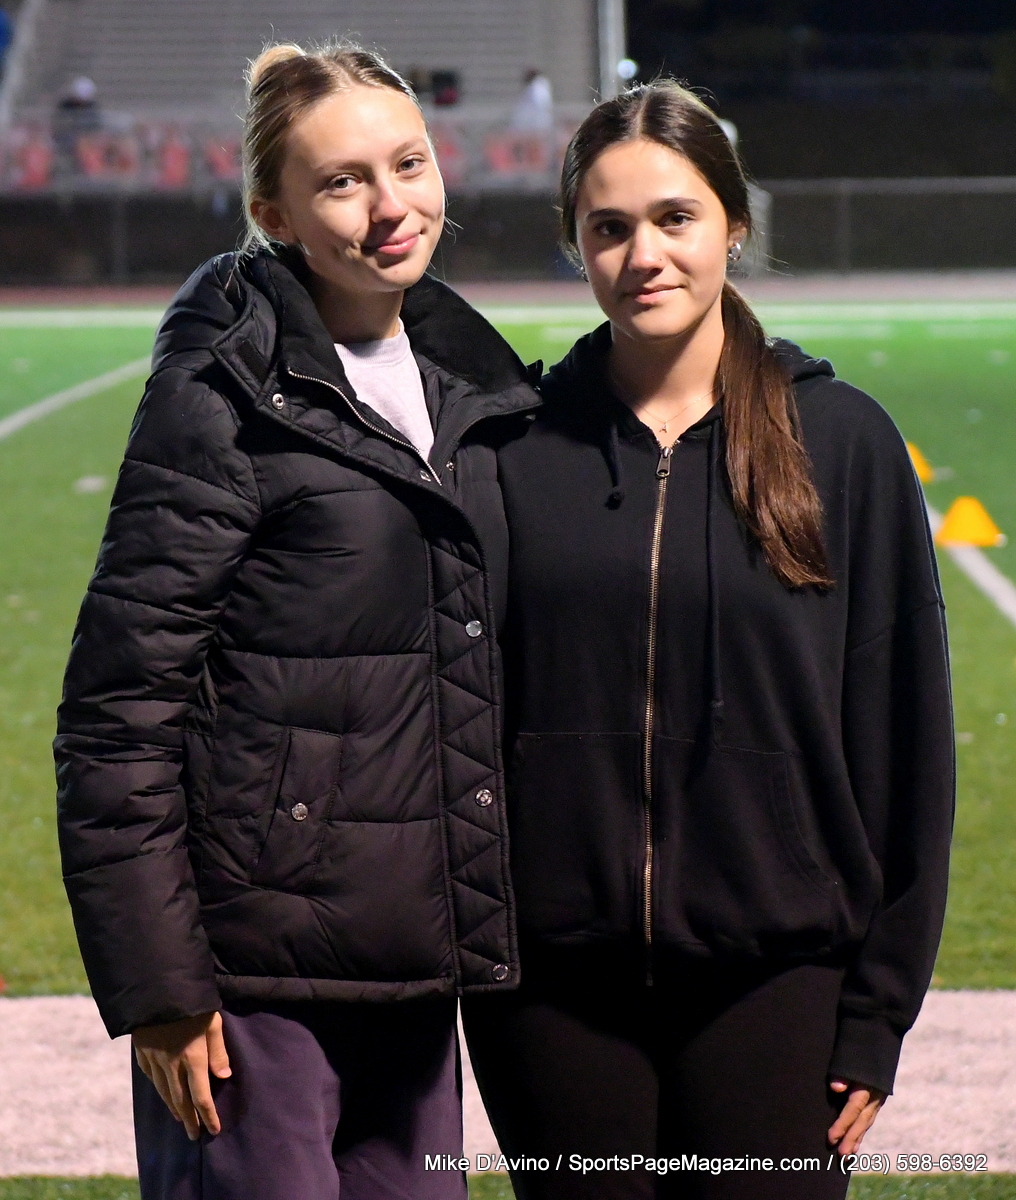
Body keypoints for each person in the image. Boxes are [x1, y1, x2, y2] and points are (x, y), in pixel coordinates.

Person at [54, 41, 538, 1200]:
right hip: (251, 985)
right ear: (272, 213)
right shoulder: (221, 391)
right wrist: (161, 987)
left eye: (407, 163)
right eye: (341, 182)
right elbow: (120, 707)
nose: (390, 205)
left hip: (415, 961)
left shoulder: (476, 388)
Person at [462, 80, 954, 1200]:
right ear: (575, 246)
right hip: (551, 991)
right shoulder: (512, 449)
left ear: (733, 224)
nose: (643, 254)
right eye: (608, 227)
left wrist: (877, 1010)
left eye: (674, 218)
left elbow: (907, 746)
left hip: (778, 981)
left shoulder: (843, 443)